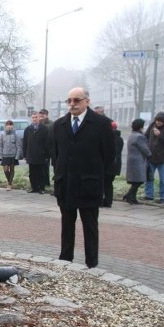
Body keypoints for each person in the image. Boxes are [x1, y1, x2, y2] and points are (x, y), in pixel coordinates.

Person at [52, 87, 115, 269]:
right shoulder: (59, 125)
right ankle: (65, 259)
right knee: (67, 225)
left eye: (77, 100)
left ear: (87, 101)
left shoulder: (101, 124)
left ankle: (92, 262)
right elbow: (55, 155)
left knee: (90, 226)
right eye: (69, 100)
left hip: (89, 184)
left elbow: (109, 155)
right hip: (66, 184)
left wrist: (93, 172)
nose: (72, 104)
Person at [144, 112, 164, 204]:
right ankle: (149, 195)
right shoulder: (152, 125)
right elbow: (146, 136)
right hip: (151, 157)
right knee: (149, 178)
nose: (158, 123)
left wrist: (160, 135)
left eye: (160, 121)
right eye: (157, 120)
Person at [122, 118, 151, 205]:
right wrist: (150, 154)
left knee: (136, 181)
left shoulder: (132, 135)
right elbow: (145, 149)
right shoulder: (139, 136)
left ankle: (132, 197)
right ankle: (129, 196)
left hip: (132, 160)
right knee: (138, 181)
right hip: (138, 161)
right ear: (140, 127)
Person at [23, 112, 50, 194]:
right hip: (30, 154)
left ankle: (41, 188)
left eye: (36, 117)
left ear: (39, 118)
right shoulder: (27, 129)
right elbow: (25, 143)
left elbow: (47, 143)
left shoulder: (44, 129)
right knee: (32, 173)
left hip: (41, 155)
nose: (34, 119)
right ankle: (34, 187)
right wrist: (25, 154)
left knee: (41, 172)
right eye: (33, 117)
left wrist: (47, 155)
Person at [102, 121, 124, 207]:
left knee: (103, 183)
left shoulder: (107, 138)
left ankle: (101, 201)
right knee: (109, 184)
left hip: (107, 164)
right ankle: (108, 201)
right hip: (115, 165)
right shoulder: (119, 138)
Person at [0, 120, 23, 191]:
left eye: (10, 125)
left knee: (12, 169)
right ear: (5, 126)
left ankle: (9, 184)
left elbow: (19, 146)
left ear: (12, 126)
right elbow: (0, 145)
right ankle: (9, 181)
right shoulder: (2, 134)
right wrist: (0, 155)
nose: (9, 126)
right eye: (7, 125)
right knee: (5, 170)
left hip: (13, 155)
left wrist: (17, 156)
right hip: (5, 155)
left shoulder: (16, 134)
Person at [38, 109, 54, 189]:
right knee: (40, 166)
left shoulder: (51, 124)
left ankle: (46, 183)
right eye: (40, 115)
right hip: (39, 147)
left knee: (46, 166)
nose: (41, 116)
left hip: (49, 147)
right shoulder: (38, 123)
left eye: (43, 115)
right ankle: (40, 182)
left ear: (47, 115)